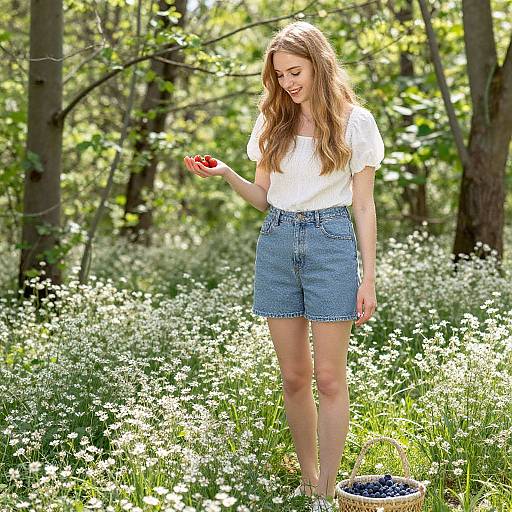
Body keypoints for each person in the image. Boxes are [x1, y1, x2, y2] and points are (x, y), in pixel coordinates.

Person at [183, 20, 384, 512]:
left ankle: (326, 493)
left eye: (296, 71)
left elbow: (363, 206)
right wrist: (226, 173)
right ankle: (307, 481)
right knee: (294, 376)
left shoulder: (356, 123)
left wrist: (370, 277)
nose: (289, 83)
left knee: (331, 378)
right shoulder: (272, 123)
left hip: (331, 244)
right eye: (280, 75)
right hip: (276, 242)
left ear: (319, 63)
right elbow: (264, 199)